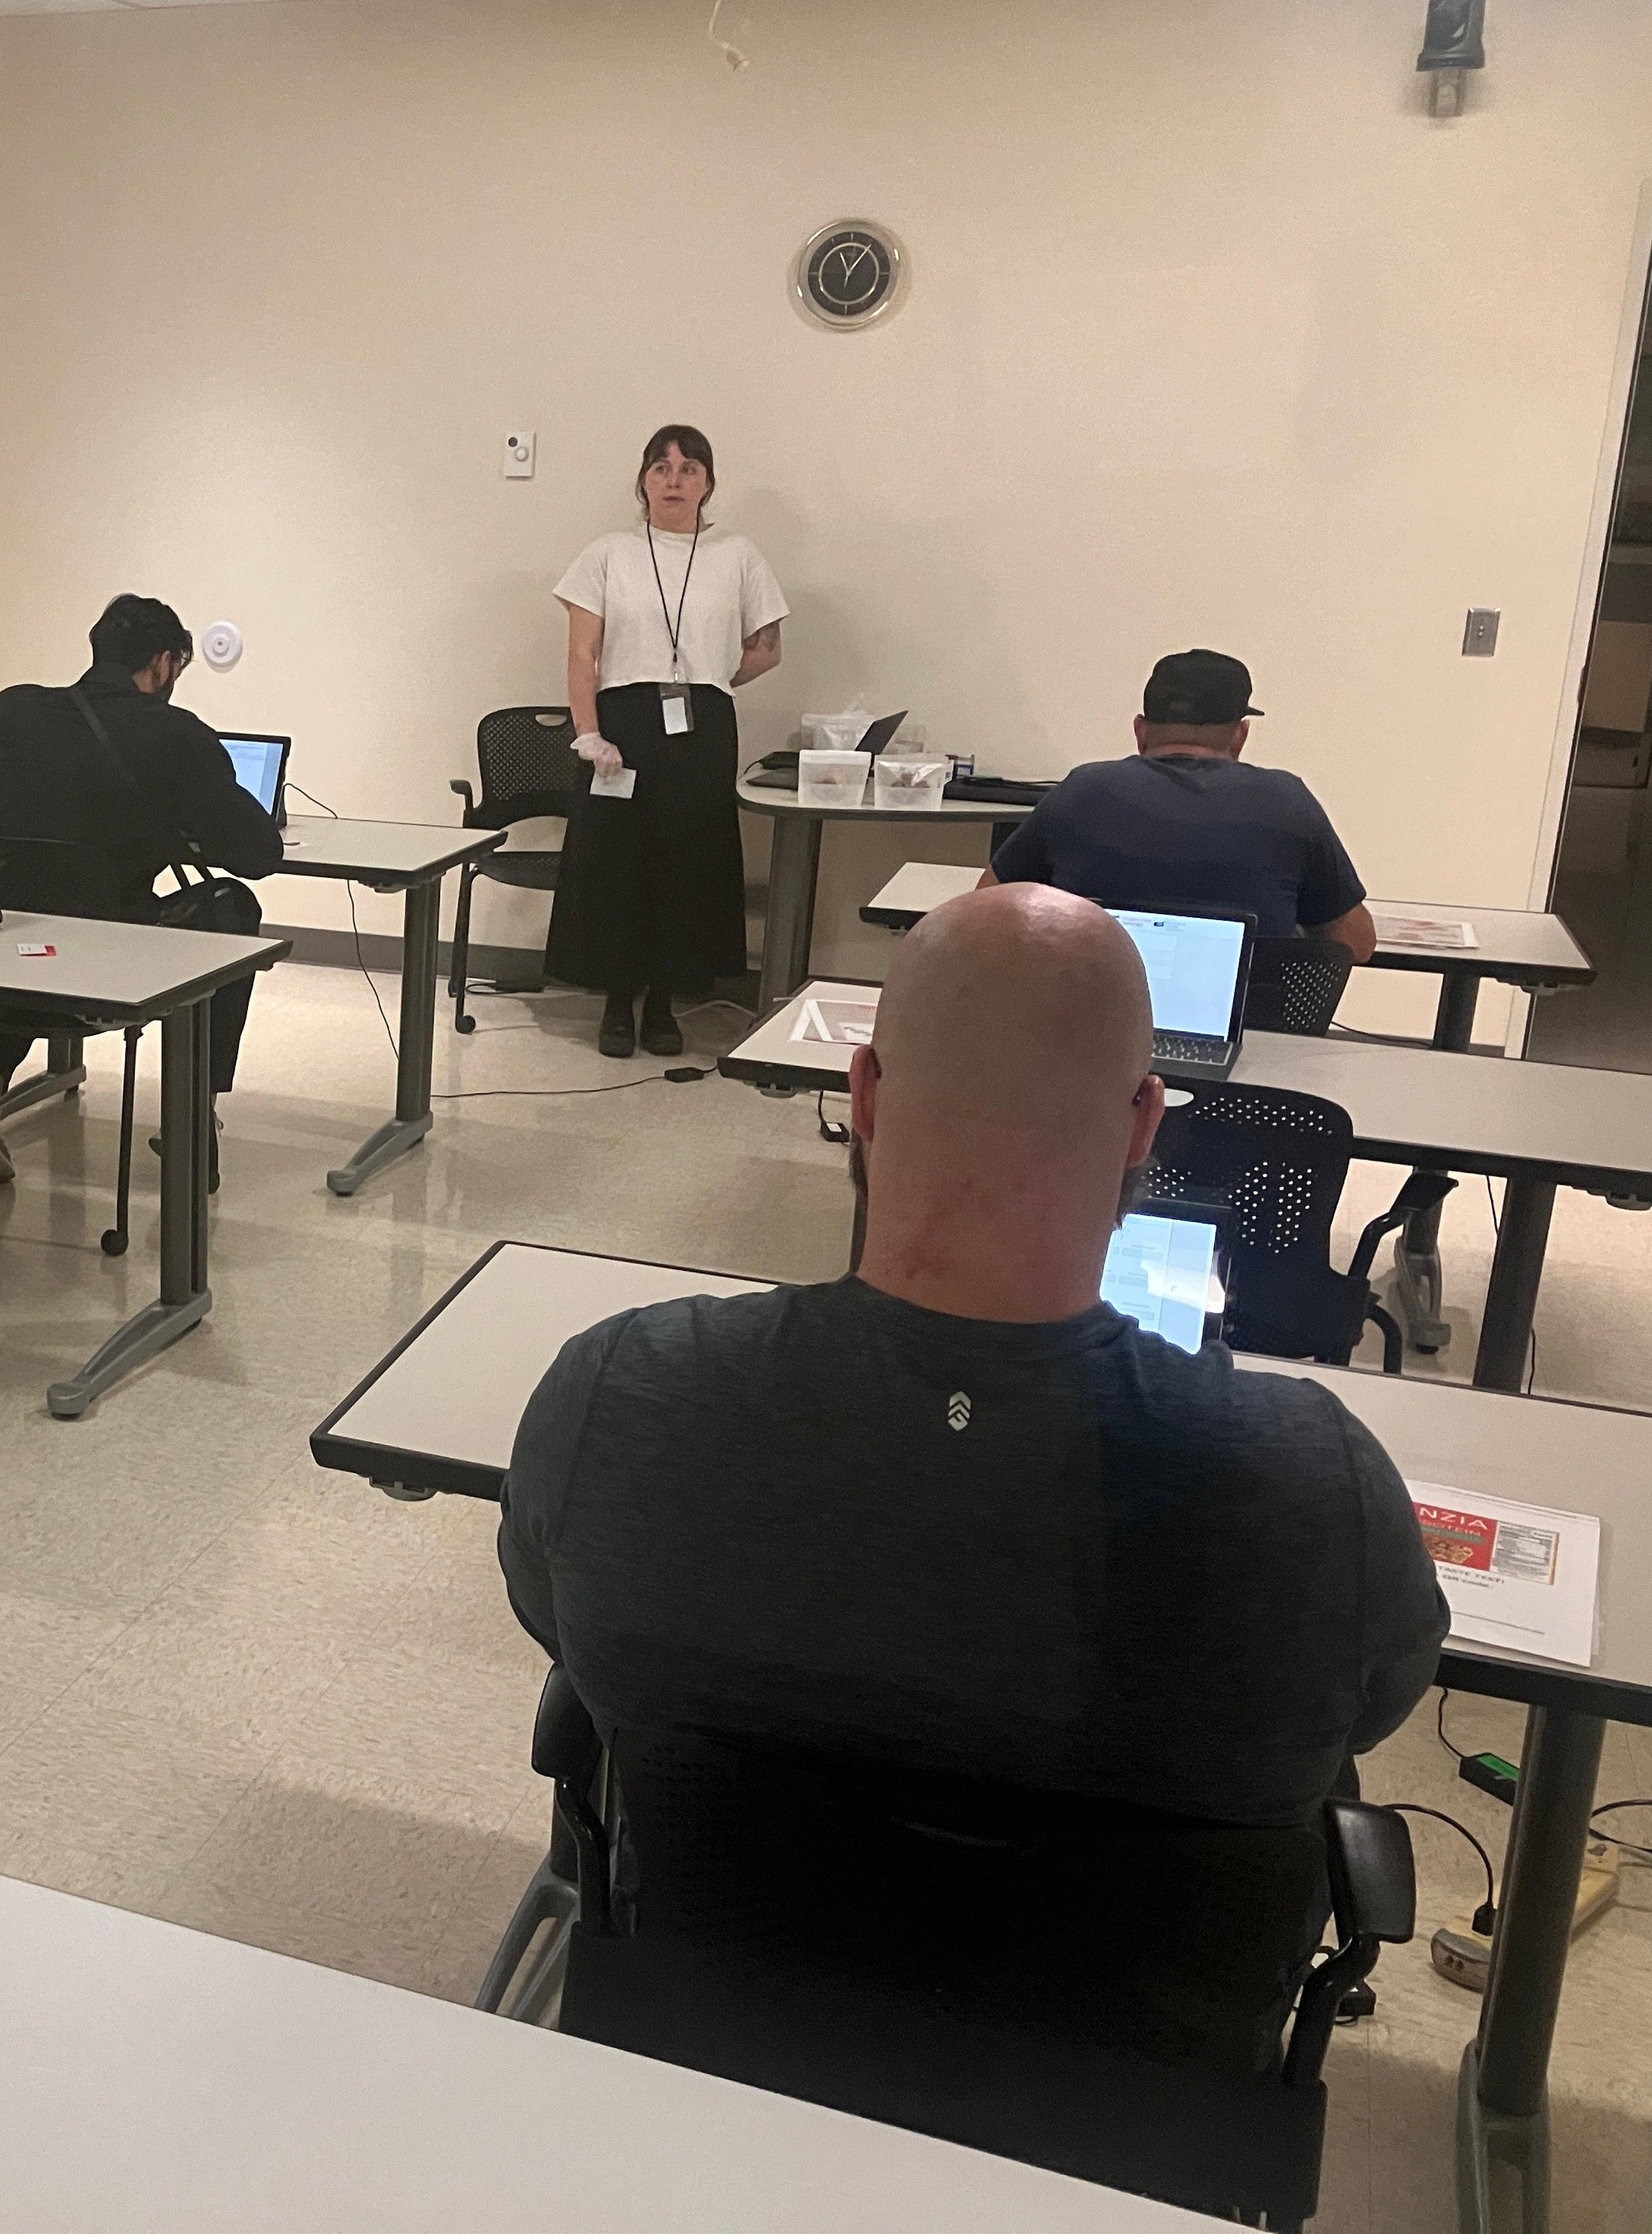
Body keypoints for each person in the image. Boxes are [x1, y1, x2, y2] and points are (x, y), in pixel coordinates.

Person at [500, 883, 1442, 1826]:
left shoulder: (620, 1395)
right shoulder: (1318, 1487)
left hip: (712, 1924)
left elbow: (559, 1625)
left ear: (863, 1094)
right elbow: (1369, 1708)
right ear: (1146, 1122)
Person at [0, 594, 282, 1182]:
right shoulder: (175, 732)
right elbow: (258, 854)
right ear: (163, 664)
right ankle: (192, 1114)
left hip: (5, 960)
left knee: (40, 901)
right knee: (232, 905)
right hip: (109, 967)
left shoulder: (9, 711)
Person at [545, 425, 788, 1058]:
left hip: (701, 726)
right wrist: (588, 733)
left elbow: (767, 648)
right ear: (643, 480)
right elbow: (581, 653)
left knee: (689, 862)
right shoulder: (608, 553)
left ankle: (663, 1004)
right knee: (619, 861)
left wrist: (709, 678)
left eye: (688, 469)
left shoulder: (738, 554)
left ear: (708, 482)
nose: (674, 480)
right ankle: (616, 1001)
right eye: (661, 467)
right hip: (622, 725)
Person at [983, 649, 1376, 961]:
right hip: (1251, 1033)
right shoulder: (1288, 801)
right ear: (1240, 735)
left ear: (1140, 730)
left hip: (1093, 1026)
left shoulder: (1083, 790)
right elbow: (1357, 944)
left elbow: (986, 908)